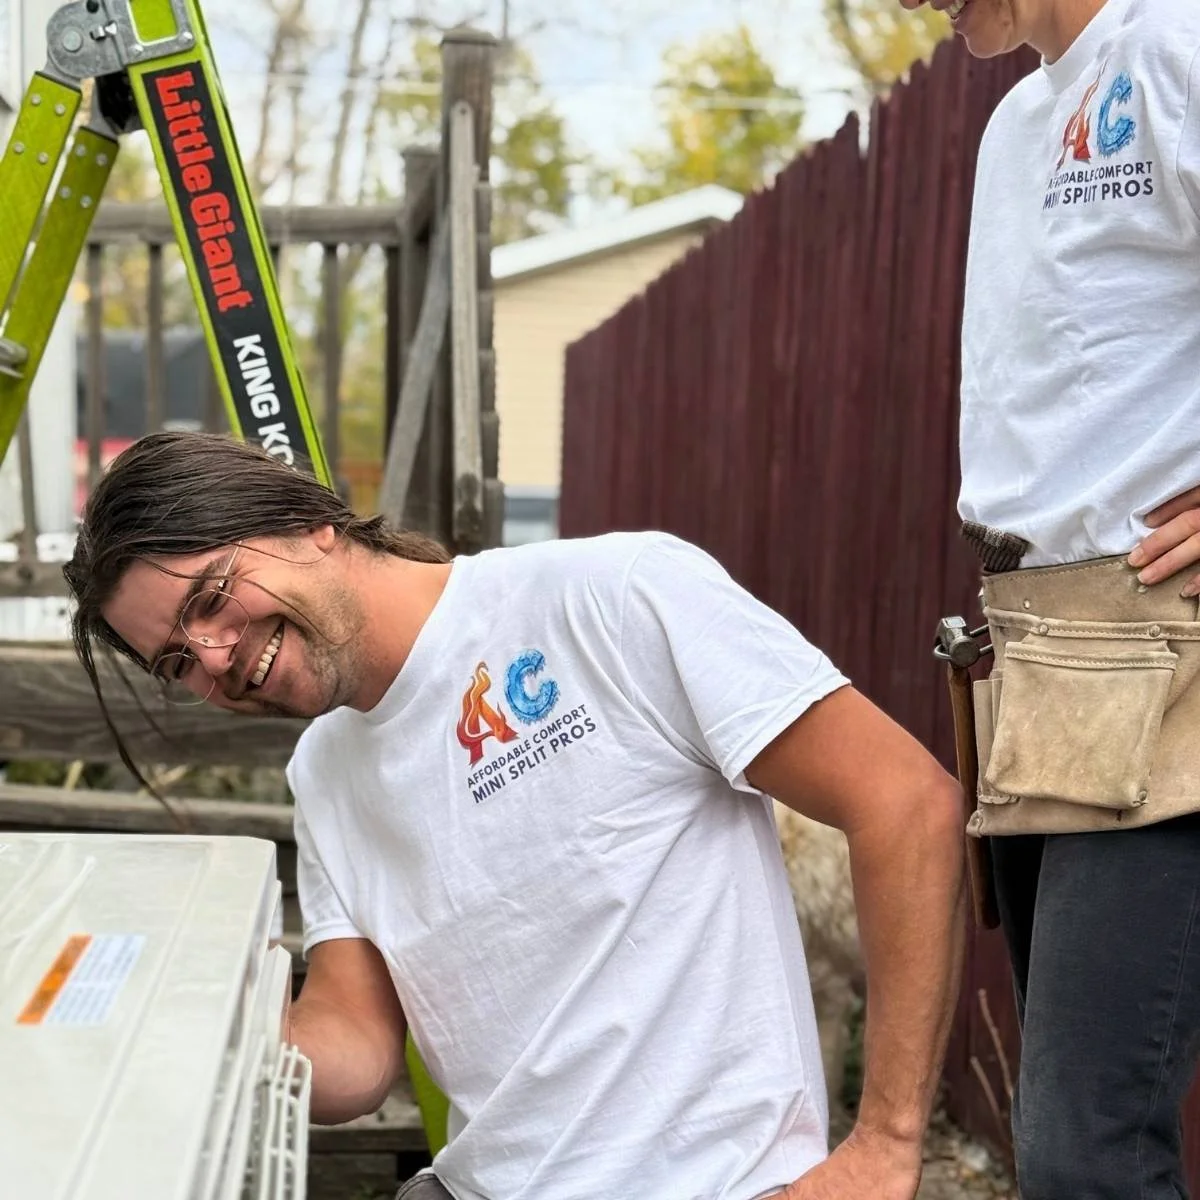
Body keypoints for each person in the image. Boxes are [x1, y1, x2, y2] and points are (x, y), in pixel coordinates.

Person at [63, 430, 964, 1200]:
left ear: (309, 522)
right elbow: (356, 1049)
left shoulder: (609, 597)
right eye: (176, 661)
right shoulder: (325, 771)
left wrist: (883, 1148)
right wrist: (214, 1013)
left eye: (211, 596)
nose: (213, 656)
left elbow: (905, 803)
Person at [899, 0, 1200, 1194]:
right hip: (1042, 665)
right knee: (1071, 1139)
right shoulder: (1017, 122)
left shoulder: (1175, 47)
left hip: (1169, 655)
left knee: (1087, 1151)